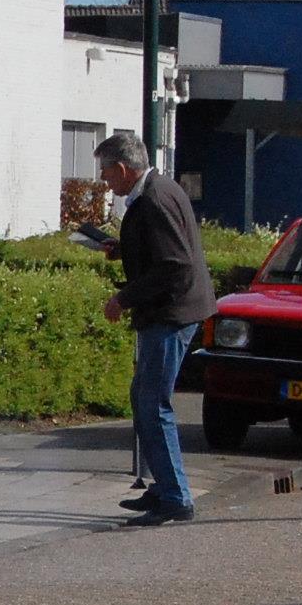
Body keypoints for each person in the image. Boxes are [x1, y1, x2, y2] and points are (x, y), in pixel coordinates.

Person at [95, 132, 215, 527]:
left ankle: (175, 496)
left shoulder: (153, 199)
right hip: (175, 311)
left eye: (106, 172)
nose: (104, 181)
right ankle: (164, 487)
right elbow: (165, 249)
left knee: (152, 403)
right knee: (144, 397)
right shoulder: (162, 188)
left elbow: (175, 265)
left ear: (122, 168)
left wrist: (123, 298)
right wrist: (122, 249)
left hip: (170, 314)